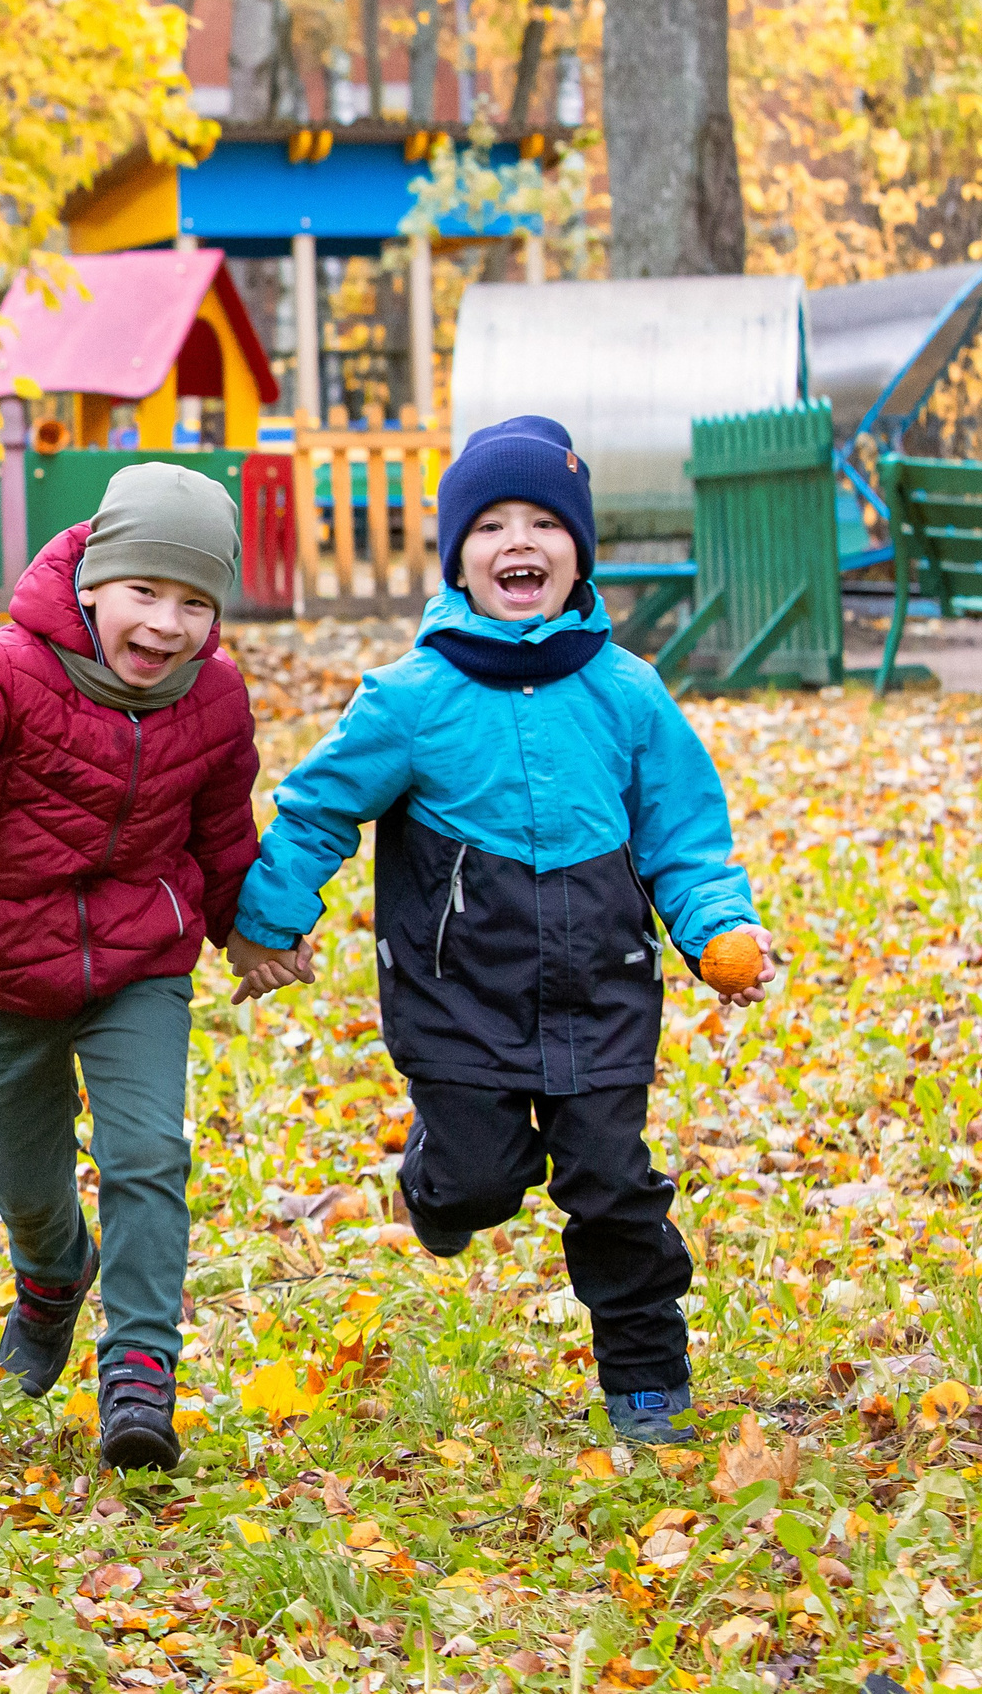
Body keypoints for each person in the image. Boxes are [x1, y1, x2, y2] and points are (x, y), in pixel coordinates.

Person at [229, 415, 775, 1446]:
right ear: (455, 558)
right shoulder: (408, 699)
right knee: (479, 1181)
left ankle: (647, 1379)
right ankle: (434, 1187)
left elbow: (684, 836)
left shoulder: (628, 694)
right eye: (488, 525)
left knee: (614, 1184)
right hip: (456, 994)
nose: (516, 542)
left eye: (541, 523)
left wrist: (715, 930)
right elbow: (316, 810)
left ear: (576, 555)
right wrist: (268, 919)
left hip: (600, 988)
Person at [0, 465, 291, 1472]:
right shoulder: (5, 671)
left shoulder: (213, 698)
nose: (165, 624)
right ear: (91, 584)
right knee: (29, 1184)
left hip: (140, 963)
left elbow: (220, 837)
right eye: (144, 592)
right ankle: (49, 1274)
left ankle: (139, 1371)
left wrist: (244, 928)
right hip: (3, 962)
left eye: (194, 602)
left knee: (145, 1155)